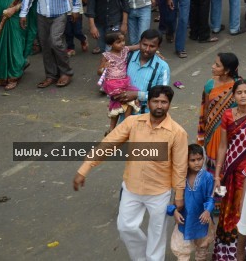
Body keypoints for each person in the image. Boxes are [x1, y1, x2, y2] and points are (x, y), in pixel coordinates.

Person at [73, 85, 189, 261]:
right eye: (155, 101)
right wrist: (85, 168)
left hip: (159, 191)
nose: (159, 106)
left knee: (157, 233)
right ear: (148, 102)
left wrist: (179, 195)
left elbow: (180, 167)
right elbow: (108, 144)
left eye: (164, 102)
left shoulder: (178, 133)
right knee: (125, 227)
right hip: (131, 187)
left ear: (169, 105)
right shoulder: (132, 123)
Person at [213, 79, 246, 259]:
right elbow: (223, 146)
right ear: (233, 96)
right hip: (229, 170)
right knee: (228, 209)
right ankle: (227, 254)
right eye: (239, 92)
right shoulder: (227, 115)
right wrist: (217, 175)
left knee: (245, 209)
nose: (243, 96)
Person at [169, 144, 215, 261]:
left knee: (202, 248)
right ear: (186, 161)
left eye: (199, 159)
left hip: (202, 219)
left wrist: (207, 211)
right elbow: (173, 199)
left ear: (203, 158)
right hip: (184, 220)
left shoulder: (208, 177)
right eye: (192, 160)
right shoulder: (181, 177)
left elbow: (210, 198)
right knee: (182, 251)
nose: (197, 163)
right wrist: (174, 212)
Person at [197, 52, 239, 172]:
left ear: (226, 71)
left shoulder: (238, 87)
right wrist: (206, 128)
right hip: (211, 129)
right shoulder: (210, 84)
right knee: (210, 160)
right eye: (214, 63)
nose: (213, 67)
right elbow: (206, 108)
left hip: (229, 130)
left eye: (217, 65)